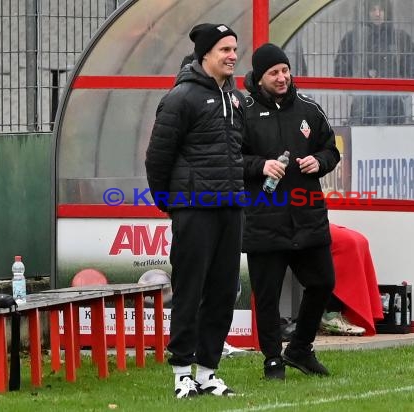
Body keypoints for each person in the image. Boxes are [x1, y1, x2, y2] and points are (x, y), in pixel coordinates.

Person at [145, 23, 244, 398]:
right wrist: (170, 203)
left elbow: (239, 154)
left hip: (230, 209)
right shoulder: (180, 98)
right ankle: (182, 373)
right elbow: (157, 157)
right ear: (206, 55)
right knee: (190, 290)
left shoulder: (235, 100)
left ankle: (207, 372)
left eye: (235, 49)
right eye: (225, 50)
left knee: (222, 292)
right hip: (194, 210)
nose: (233, 55)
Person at [242, 43, 340, 380]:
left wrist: (321, 161)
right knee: (267, 294)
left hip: (307, 216)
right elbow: (229, 157)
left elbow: (331, 148)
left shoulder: (309, 109)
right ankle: (272, 360)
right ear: (259, 77)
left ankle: (300, 347)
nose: (282, 77)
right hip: (264, 218)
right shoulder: (244, 110)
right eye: (274, 73)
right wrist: (260, 166)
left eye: (285, 70)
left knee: (324, 281)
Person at [333, 0, 414, 124]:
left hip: (393, 109)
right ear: (366, 12)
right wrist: (353, 89)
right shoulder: (352, 39)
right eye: (373, 10)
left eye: (381, 10)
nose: (377, 14)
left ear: (387, 12)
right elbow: (340, 68)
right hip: (362, 108)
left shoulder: (401, 38)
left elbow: (412, 70)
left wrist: (401, 91)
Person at [321, 224, 384, 336]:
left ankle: (336, 312)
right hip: (298, 224)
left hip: (311, 219)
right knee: (348, 242)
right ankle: (330, 314)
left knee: (359, 240)